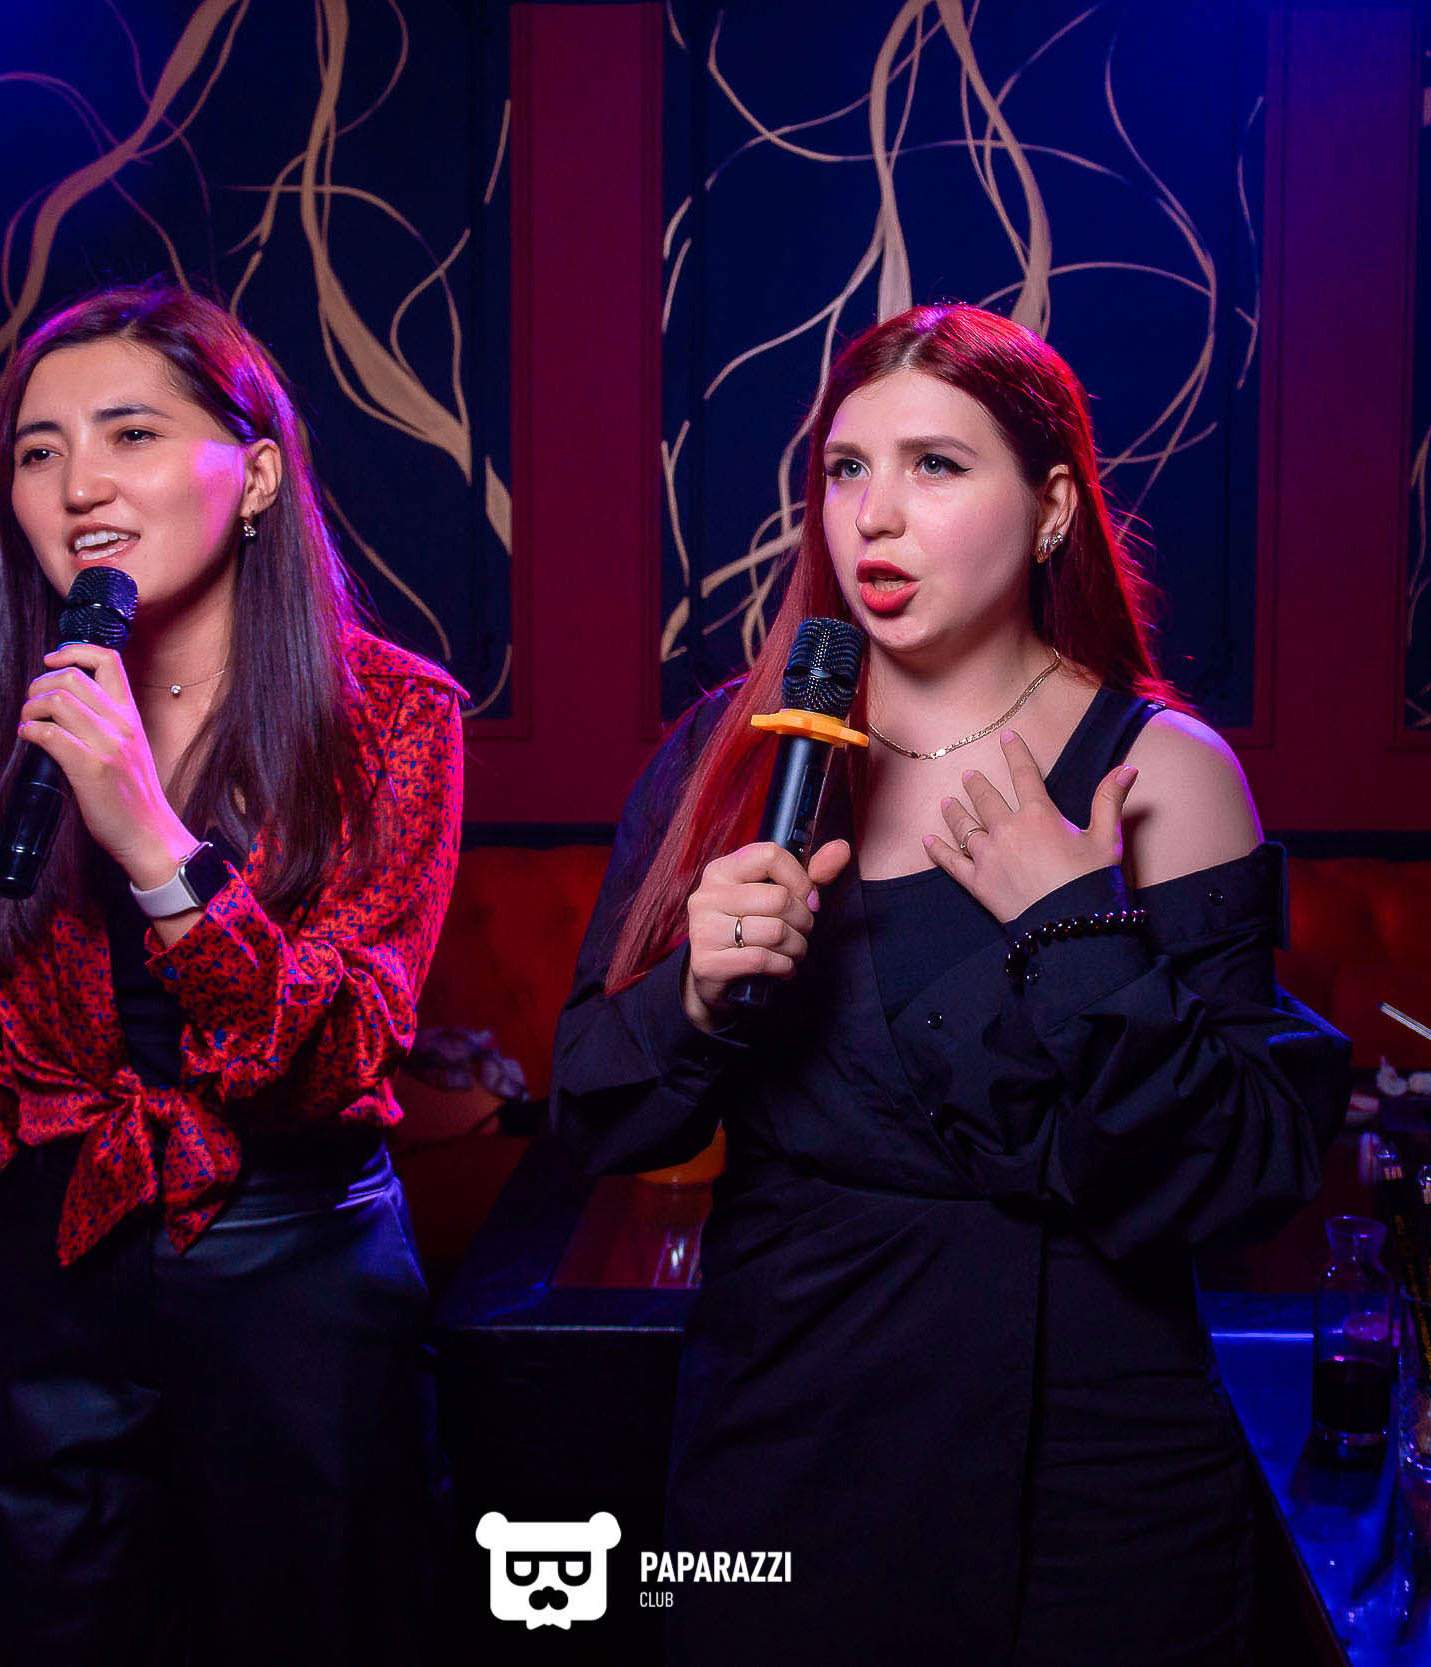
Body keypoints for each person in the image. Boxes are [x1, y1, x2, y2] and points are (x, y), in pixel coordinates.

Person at [552, 303, 1351, 1665]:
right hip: (785, 1426)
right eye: (845, 468)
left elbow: (1241, 1176)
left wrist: (1071, 925)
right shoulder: (729, 753)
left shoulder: (1161, 772)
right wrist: (695, 993)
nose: (872, 515)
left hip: (1085, 1460)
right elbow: (589, 1107)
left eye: (935, 464)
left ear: (1051, 509)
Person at [0, 281, 464, 1666]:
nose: (79, 483)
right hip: (52, 1292)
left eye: (132, 433)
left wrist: (152, 840)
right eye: (39, 449)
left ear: (257, 475)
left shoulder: (390, 717)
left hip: (297, 1290)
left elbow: (343, 1053)